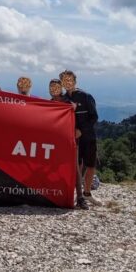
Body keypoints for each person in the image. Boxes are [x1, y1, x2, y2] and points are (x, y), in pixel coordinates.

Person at [60, 69, 100, 207]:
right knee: (76, 166)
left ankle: (87, 193)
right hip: (72, 139)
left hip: (88, 137)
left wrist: (81, 131)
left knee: (90, 165)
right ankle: (78, 195)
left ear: (75, 81)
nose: (68, 82)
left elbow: (94, 117)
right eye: (65, 80)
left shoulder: (86, 96)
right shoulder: (63, 99)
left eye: (70, 79)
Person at [50, 78, 88, 210]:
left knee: (74, 167)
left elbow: (80, 118)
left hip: (70, 139)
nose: (54, 89)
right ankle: (54, 195)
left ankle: (80, 198)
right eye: (51, 87)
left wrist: (80, 130)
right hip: (54, 140)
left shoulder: (69, 103)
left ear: (61, 88)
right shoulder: (47, 104)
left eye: (56, 87)